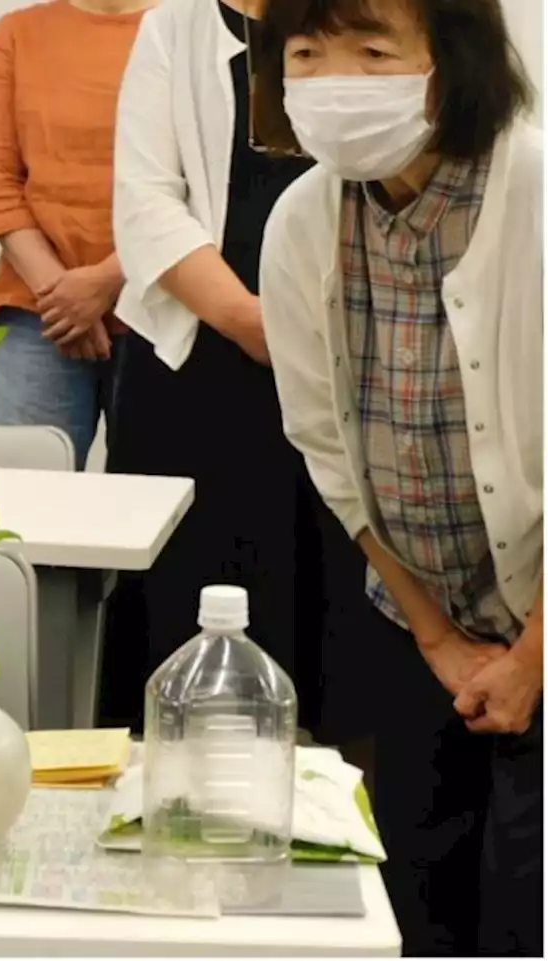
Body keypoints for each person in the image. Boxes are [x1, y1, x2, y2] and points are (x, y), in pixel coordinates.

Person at [254, 0, 542, 955]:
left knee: (523, 901)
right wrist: (438, 639)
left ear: (448, 62)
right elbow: (326, 446)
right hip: (426, 624)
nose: (335, 80)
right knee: (415, 893)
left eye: (372, 50)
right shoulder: (302, 219)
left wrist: (531, 656)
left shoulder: (534, 190)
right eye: (306, 52)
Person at [98, 0, 386, 741]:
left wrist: (304, 335)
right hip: (197, 364)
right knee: (189, 600)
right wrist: (255, 325)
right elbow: (146, 204)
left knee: (338, 605)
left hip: (348, 356)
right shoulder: (174, 28)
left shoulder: (367, 16)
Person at [0, 0, 152, 471]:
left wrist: (106, 281)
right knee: (19, 515)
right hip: (39, 315)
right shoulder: (18, 33)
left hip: (159, 307)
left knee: (159, 515)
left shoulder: (192, 32)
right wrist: (59, 295)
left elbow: (203, 186)